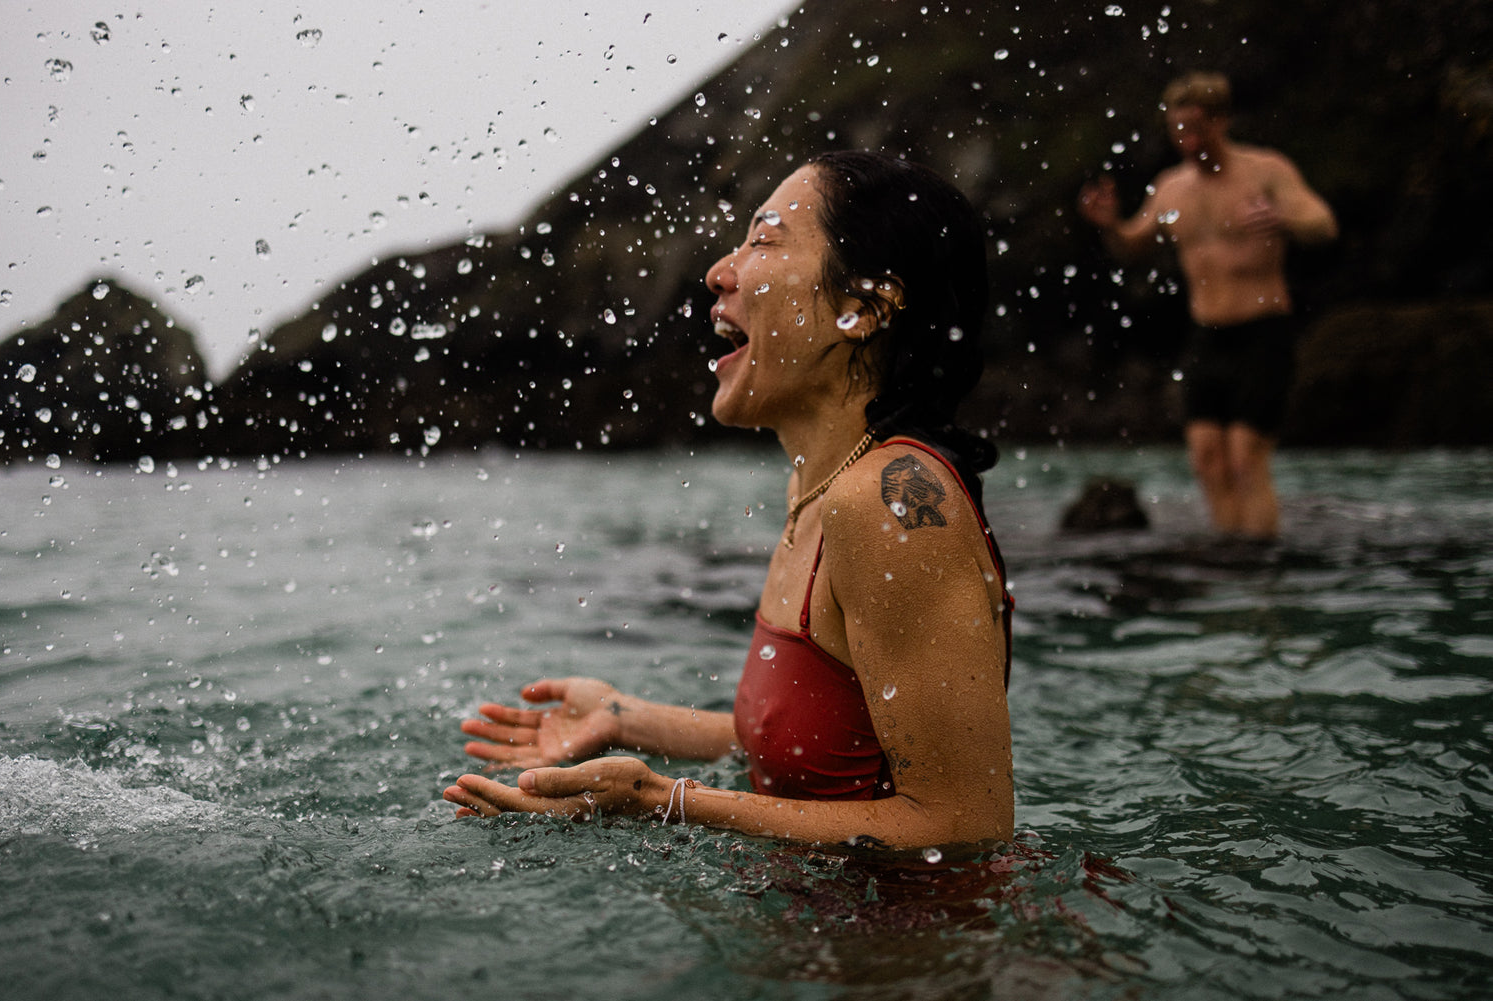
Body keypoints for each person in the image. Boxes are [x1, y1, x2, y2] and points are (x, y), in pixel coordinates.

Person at [444, 151, 1014, 850]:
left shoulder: (886, 505)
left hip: (933, 957)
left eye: (764, 241)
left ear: (861, 308)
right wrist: (626, 718)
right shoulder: (821, 488)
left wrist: (662, 799)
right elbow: (824, 746)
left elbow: (963, 824)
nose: (720, 270)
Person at [1078, 72, 1338, 540]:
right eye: (1179, 130)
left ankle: (1257, 556)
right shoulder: (1171, 187)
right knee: (1207, 458)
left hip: (1264, 329)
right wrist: (1110, 225)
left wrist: (1284, 218)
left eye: (1198, 128)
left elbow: (1323, 224)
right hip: (1207, 335)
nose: (1189, 140)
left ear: (1223, 121)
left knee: (1244, 456)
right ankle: (1228, 550)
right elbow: (1135, 246)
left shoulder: (1265, 170)